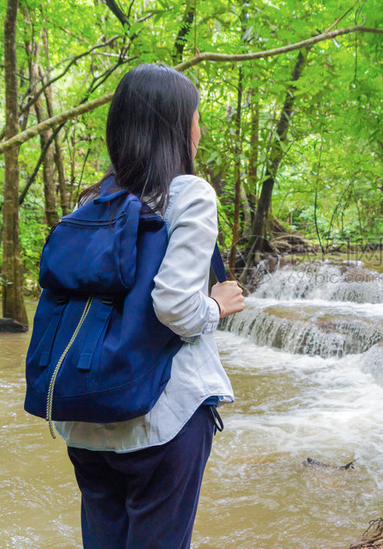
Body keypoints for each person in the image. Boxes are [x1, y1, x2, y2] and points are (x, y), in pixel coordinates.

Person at [53, 63, 245, 549]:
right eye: (197, 118)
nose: (200, 131)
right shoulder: (189, 194)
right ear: (179, 128)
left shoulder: (89, 203)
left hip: (86, 420)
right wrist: (218, 305)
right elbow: (176, 307)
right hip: (163, 416)